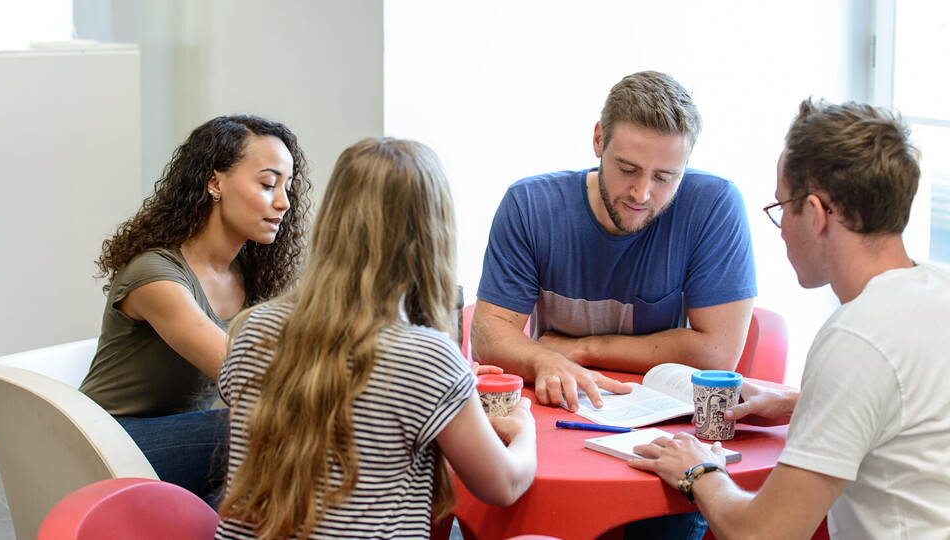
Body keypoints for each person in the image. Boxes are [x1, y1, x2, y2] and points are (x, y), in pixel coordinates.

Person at [629, 99, 950, 539]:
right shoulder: (937, 288)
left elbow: (761, 533)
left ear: (816, 215)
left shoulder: (857, 338)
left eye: (782, 208)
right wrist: (808, 401)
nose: (781, 228)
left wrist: (699, 470)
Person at [216, 138, 537, 540]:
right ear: (431, 236)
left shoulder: (252, 328)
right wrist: (525, 428)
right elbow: (503, 486)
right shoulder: (426, 357)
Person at [472, 70, 756, 412]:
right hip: (558, 406)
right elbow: (488, 336)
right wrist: (541, 360)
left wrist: (582, 349)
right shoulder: (530, 205)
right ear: (598, 140)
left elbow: (717, 354)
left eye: (665, 177)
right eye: (627, 169)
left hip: (661, 420)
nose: (642, 193)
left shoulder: (714, 205)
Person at [78, 115, 311, 506]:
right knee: (254, 428)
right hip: (107, 444)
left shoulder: (248, 277)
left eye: (288, 187)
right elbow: (246, 376)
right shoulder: (156, 276)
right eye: (269, 183)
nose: (284, 202)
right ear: (215, 182)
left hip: (178, 444)